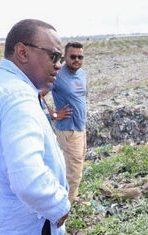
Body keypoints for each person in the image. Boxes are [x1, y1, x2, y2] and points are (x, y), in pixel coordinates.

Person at [0, 19, 70, 234]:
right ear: (22, 52)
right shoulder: (18, 98)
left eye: (61, 59)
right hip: (28, 224)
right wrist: (59, 207)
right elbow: (28, 179)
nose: (59, 65)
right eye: (54, 56)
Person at [52, 42, 87, 202]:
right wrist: (53, 114)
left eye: (80, 57)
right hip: (68, 130)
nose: (77, 60)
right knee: (73, 170)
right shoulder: (57, 74)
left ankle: (70, 197)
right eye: (73, 57)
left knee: (75, 165)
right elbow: (38, 95)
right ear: (65, 57)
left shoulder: (82, 74)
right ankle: (66, 206)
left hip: (80, 128)